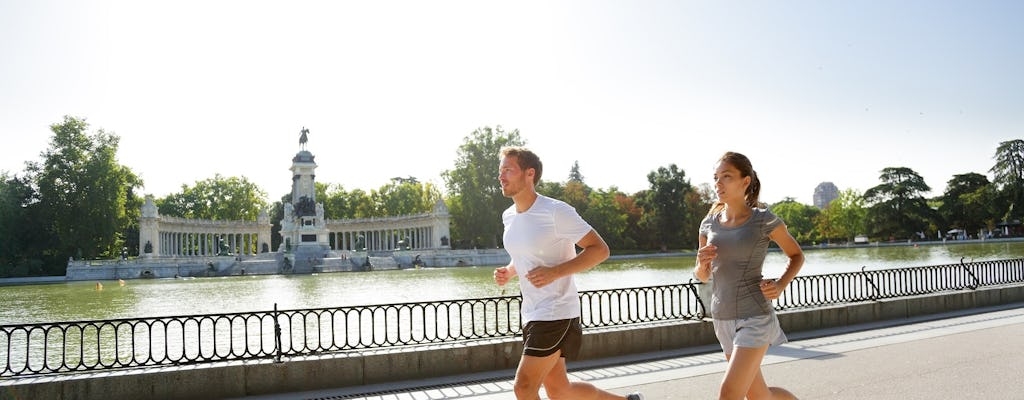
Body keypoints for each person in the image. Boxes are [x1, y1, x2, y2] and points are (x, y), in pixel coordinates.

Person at [493, 146, 643, 400]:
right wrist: (509, 271)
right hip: (531, 311)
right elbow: (527, 255)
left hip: (556, 310)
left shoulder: (555, 211)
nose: (501, 176)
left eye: (508, 170)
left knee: (524, 387)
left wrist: (554, 273)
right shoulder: (509, 216)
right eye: (500, 170)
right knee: (560, 390)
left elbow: (599, 249)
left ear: (530, 174)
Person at [694, 151, 804, 400]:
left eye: (726, 176)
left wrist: (781, 284)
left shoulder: (763, 220)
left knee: (730, 392)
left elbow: (796, 255)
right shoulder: (708, 224)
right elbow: (702, 275)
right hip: (722, 318)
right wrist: (702, 265)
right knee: (759, 396)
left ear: (745, 181)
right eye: (716, 177)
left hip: (754, 315)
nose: (718, 183)